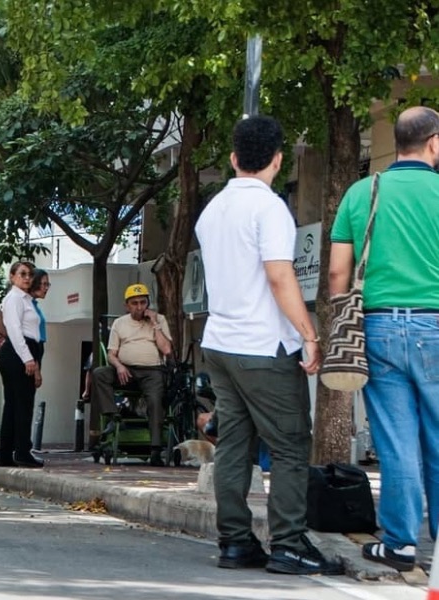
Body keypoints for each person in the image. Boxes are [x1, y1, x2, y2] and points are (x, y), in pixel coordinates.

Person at [195, 114, 340, 576]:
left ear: (234, 158)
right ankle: (290, 544)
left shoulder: (212, 210)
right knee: (291, 444)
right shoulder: (270, 207)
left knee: (234, 444)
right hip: (262, 345)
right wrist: (309, 335)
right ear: (278, 160)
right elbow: (279, 276)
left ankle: (235, 542)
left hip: (220, 343)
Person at [328, 105, 439, 572]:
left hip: (376, 328)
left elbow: (338, 273)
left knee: (396, 441)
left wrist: (341, 318)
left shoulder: (362, 192)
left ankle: (400, 545)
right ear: (434, 142)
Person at [91, 283, 172, 466]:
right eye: (134, 303)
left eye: (143, 302)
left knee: (155, 399)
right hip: (126, 371)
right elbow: (111, 354)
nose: (139, 307)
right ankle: (113, 416)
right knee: (100, 373)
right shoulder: (120, 323)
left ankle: (155, 449)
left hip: (152, 371)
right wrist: (119, 366)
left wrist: (155, 324)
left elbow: (166, 349)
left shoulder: (159, 320)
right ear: (127, 306)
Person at [0, 261, 44, 468]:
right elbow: (14, 330)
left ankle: (6, 454)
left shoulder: (25, 299)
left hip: (22, 351)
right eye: (22, 274)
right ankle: (22, 452)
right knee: (22, 404)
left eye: (29, 274)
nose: (27, 278)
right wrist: (28, 358)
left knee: (14, 405)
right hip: (18, 352)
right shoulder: (14, 298)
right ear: (12, 276)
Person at [28, 268, 50, 389]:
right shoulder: (27, 306)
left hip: (37, 351)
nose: (46, 288)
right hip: (31, 355)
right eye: (44, 284)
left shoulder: (34, 305)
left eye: (48, 285)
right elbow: (29, 340)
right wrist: (36, 370)